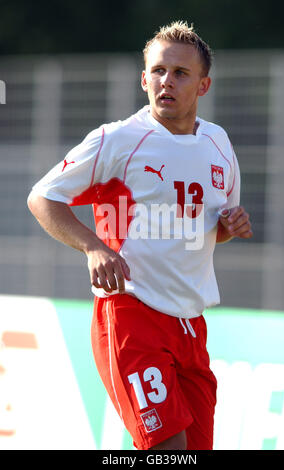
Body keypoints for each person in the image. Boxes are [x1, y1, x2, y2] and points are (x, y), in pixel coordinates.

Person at [27, 21, 252, 450]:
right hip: (130, 315)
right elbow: (42, 197)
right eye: (158, 70)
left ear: (203, 85)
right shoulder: (118, 139)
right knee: (168, 450)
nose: (166, 80)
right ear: (143, 77)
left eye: (180, 73)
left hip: (190, 324)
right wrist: (94, 247)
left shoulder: (219, 144)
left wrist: (229, 226)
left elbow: (212, 228)